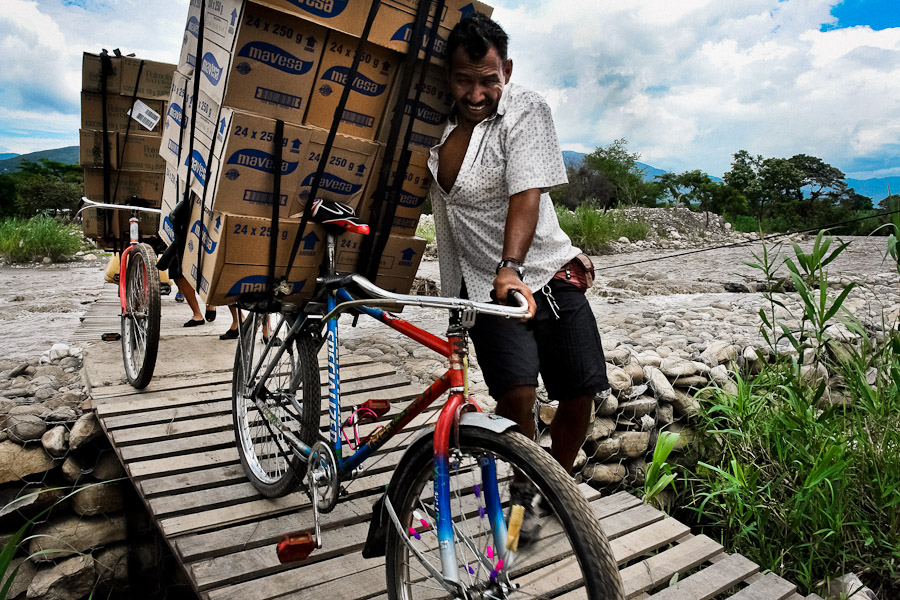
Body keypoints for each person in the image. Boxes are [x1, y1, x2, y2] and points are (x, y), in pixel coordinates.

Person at [430, 13, 610, 541]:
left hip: (544, 270)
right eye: (465, 79)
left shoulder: (525, 109)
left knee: (580, 389)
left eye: (489, 78)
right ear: (448, 77)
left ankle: (556, 481)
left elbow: (525, 193)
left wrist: (512, 266)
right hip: (480, 282)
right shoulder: (432, 128)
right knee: (517, 395)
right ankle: (527, 483)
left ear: (506, 69)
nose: (478, 91)